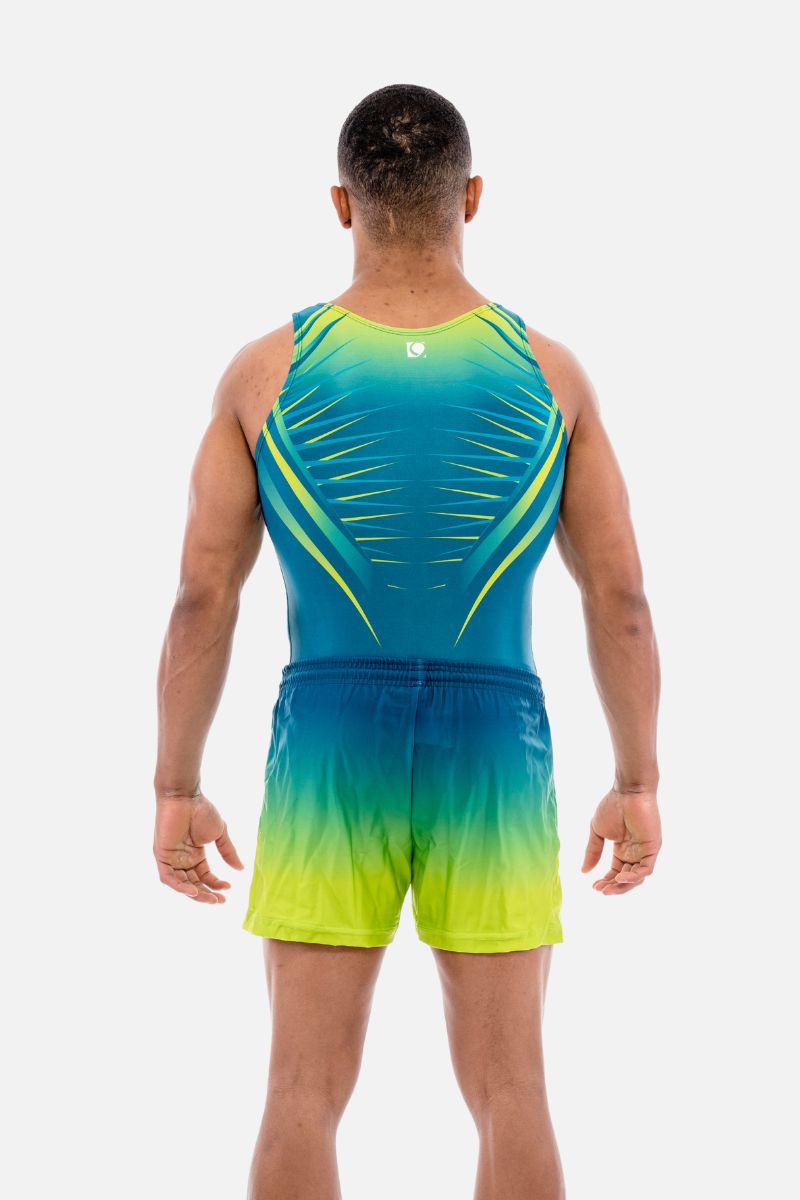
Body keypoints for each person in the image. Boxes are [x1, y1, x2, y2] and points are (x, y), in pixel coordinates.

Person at [153, 83, 662, 1200]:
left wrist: (174, 787)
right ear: (469, 196)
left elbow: (201, 596)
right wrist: (636, 780)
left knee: (300, 1089)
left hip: (331, 737)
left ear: (343, 204)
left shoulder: (265, 374)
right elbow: (619, 596)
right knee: (512, 1091)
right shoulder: (550, 374)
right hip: (493, 740)